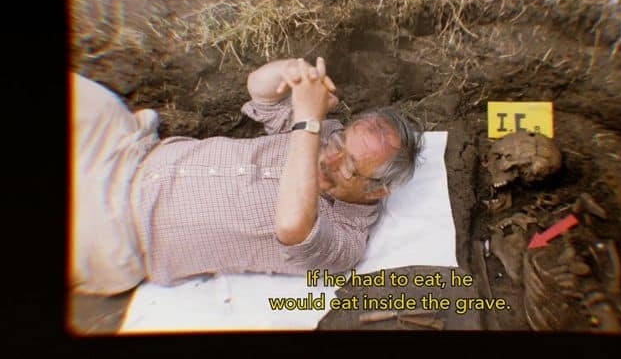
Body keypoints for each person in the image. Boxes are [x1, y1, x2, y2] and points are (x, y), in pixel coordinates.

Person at [70, 57, 423, 295]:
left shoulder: (346, 242)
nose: (329, 157)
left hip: (120, 228)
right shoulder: (324, 131)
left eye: (348, 166)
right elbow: (260, 91)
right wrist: (292, 71)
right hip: (129, 144)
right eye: (340, 142)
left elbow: (292, 227)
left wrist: (307, 121)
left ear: (377, 191)